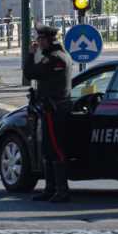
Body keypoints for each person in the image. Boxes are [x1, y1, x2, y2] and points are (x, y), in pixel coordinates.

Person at [24, 24, 73, 202]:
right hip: (51, 108)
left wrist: (31, 54)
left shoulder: (55, 59)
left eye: (41, 39)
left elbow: (29, 73)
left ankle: (61, 189)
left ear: (49, 39)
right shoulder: (54, 56)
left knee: (56, 148)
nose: (39, 42)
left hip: (56, 109)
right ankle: (50, 188)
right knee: (48, 148)